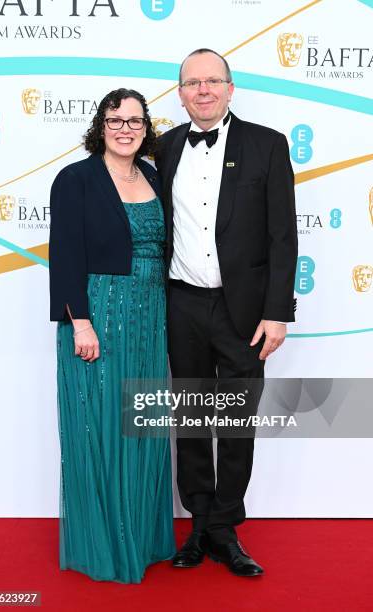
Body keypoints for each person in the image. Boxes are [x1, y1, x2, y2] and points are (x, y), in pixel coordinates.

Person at [154, 49, 298, 576]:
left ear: (231, 88)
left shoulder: (267, 144)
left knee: (236, 422)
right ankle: (196, 525)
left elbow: (284, 236)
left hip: (245, 312)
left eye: (213, 80)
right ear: (181, 93)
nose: (203, 90)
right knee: (191, 419)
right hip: (183, 303)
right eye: (192, 82)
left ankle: (224, 528)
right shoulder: (165, 148)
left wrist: (277, 311)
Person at [49, 88, 176, 583]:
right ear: (100, 126)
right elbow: (65, 254)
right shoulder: (76, 179)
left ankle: (142, 537)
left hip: (151, 313)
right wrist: (80, 321)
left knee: (139, 424)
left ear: (147, 128)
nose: (126, 129)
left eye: (135, 121)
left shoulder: (154, 175)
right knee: (100, 426)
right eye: (115, 120)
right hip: (99, 312)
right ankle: (104, 542)